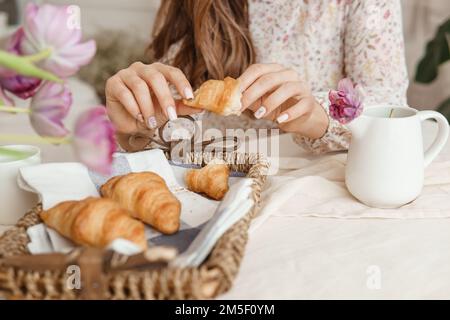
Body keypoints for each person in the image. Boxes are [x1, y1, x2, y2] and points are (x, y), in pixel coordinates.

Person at [105, 0, 408, 154]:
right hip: (213, 200)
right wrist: (135, 129)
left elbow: (394, 111)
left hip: (318, 195)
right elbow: (169, 141)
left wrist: (317, 117)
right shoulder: (197, 7)